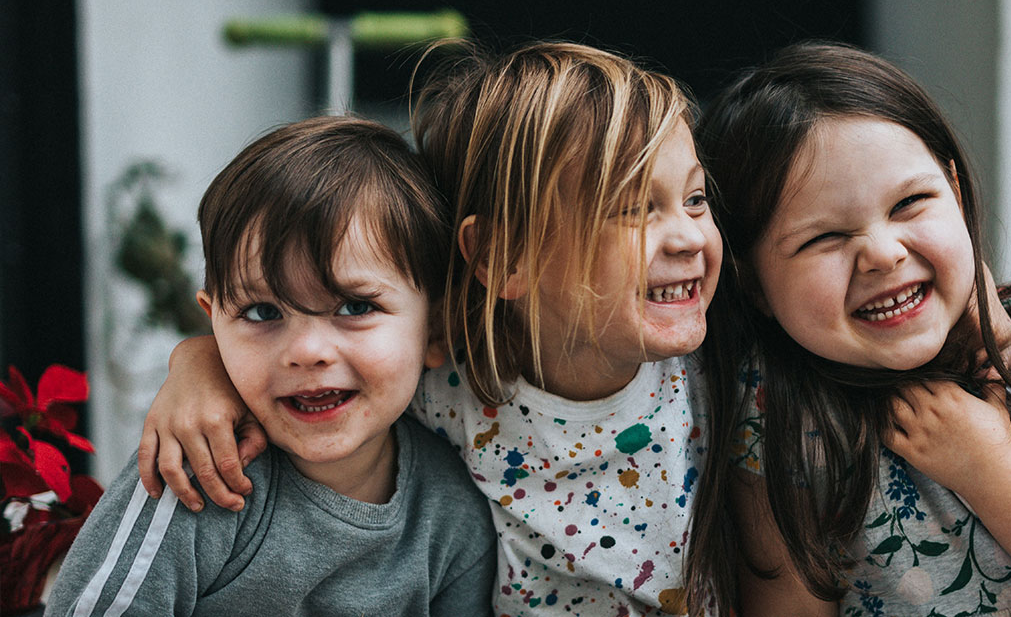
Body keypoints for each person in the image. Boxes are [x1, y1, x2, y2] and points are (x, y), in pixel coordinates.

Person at [133, 43, 722, 616]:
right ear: (504, 256)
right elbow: (321, 356)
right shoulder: (448, 384)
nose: (688, 236)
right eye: (631, 207)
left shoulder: (723, 374)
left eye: (695, 198)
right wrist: (201, 363)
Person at [684, 42, 1011, 616]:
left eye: (911, 203)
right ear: (753, 286)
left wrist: (990, 469)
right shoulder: (774, 408)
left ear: (954, 189)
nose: (881, 253)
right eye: (823, 238)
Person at [46, 116, 497, 616]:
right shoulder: (198, 474)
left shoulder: (453, 520)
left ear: (435, 330)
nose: (306, 351)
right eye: (264, 312)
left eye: (354, 307)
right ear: (213, 325)